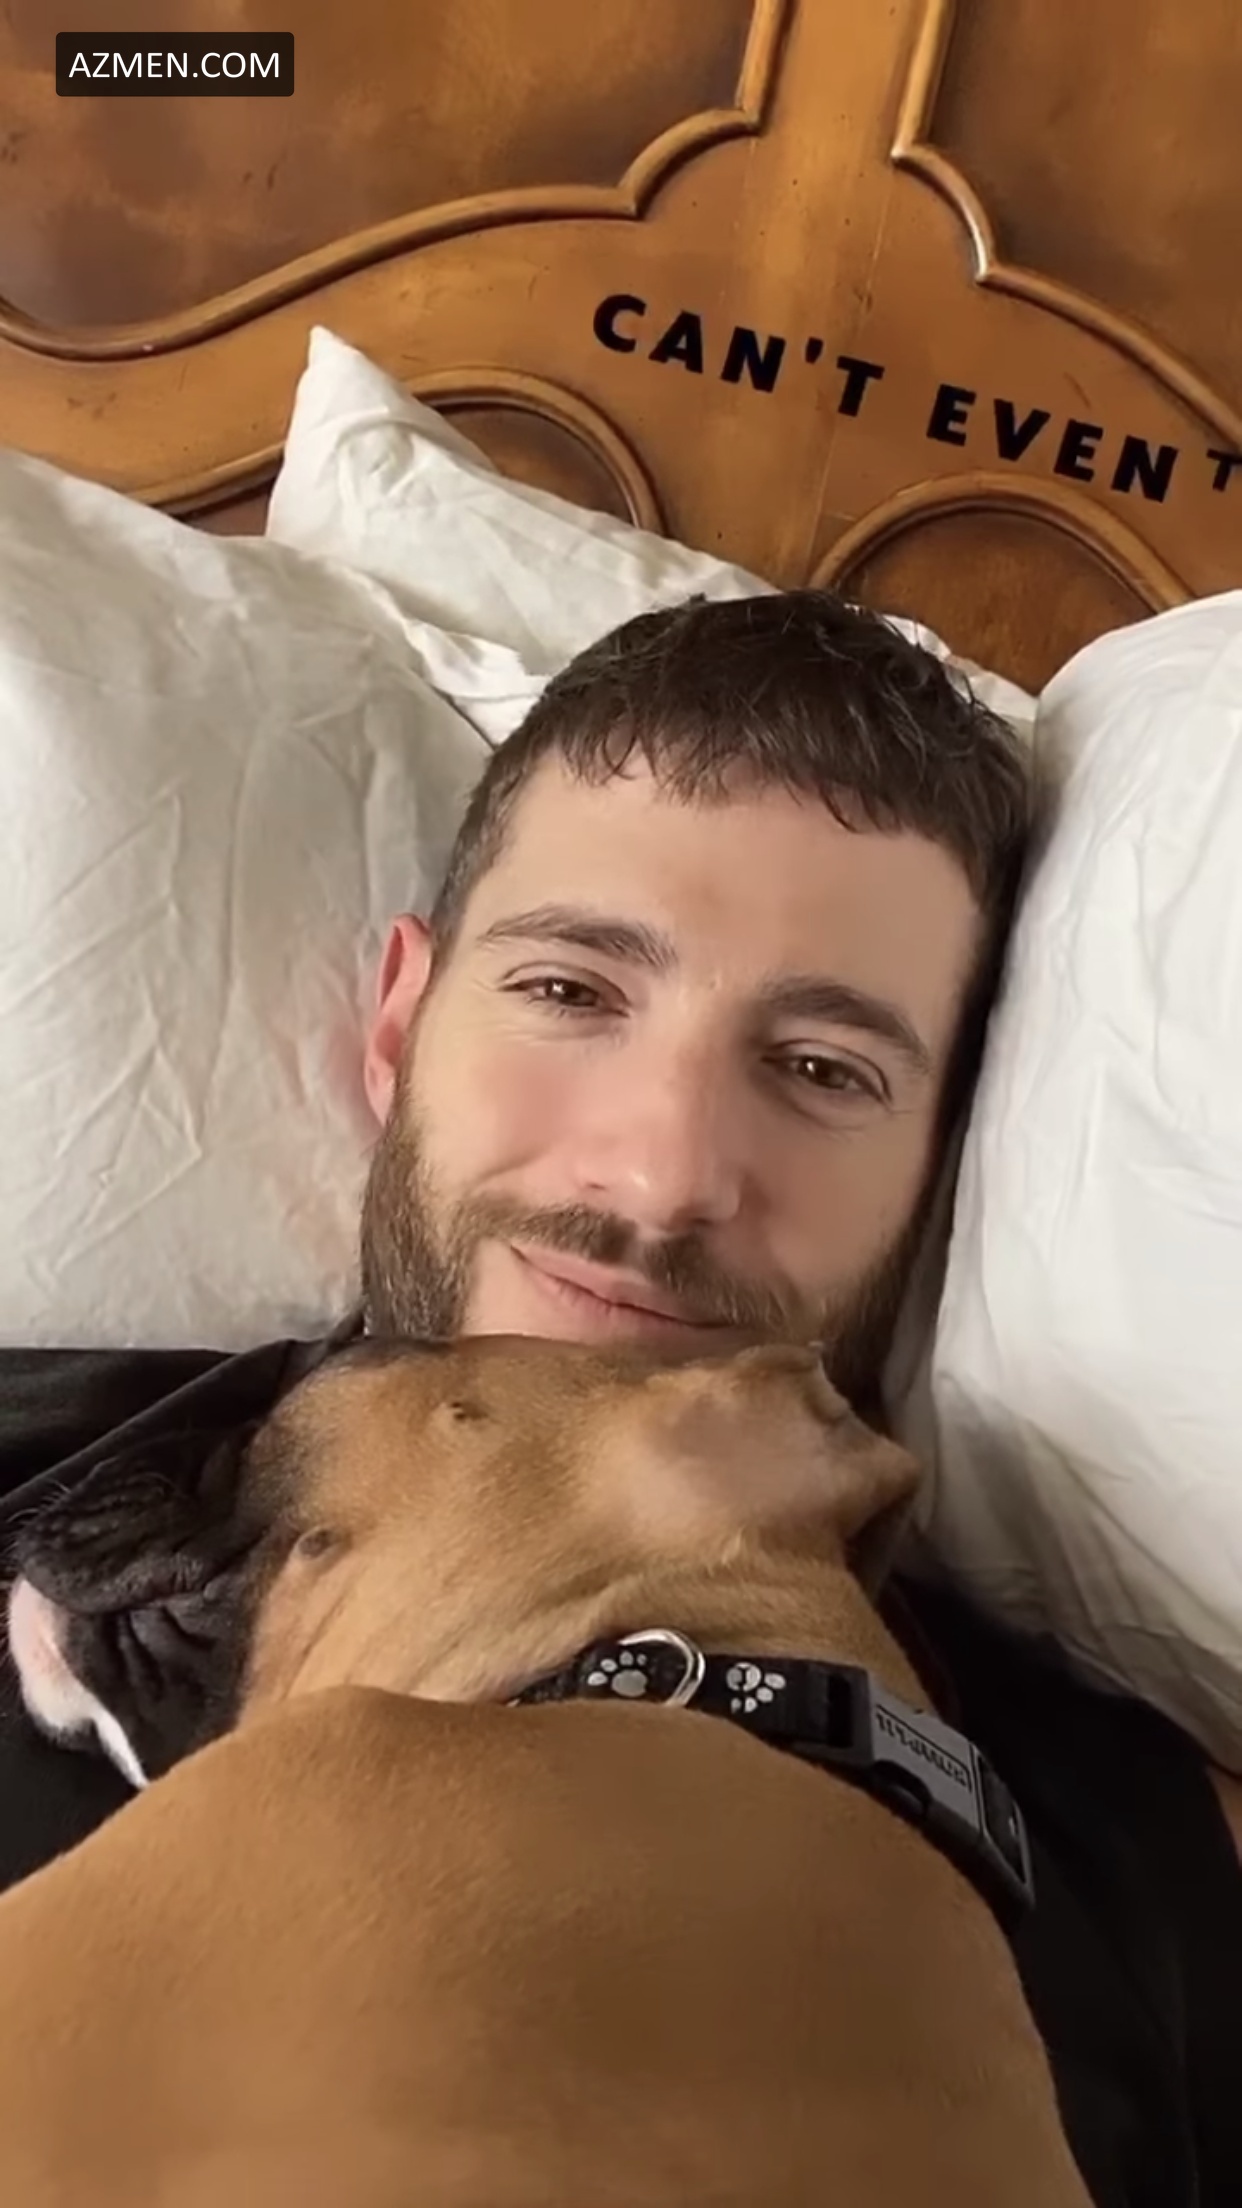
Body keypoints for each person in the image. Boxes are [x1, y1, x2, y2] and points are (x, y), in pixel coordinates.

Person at [0, 592, 1238, 2207]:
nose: (661, 1177)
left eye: (822, 1070)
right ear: (400, 1026)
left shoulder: (1133, 1848)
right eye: (571, 991)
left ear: (935, 1176)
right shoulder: (41, 1465)